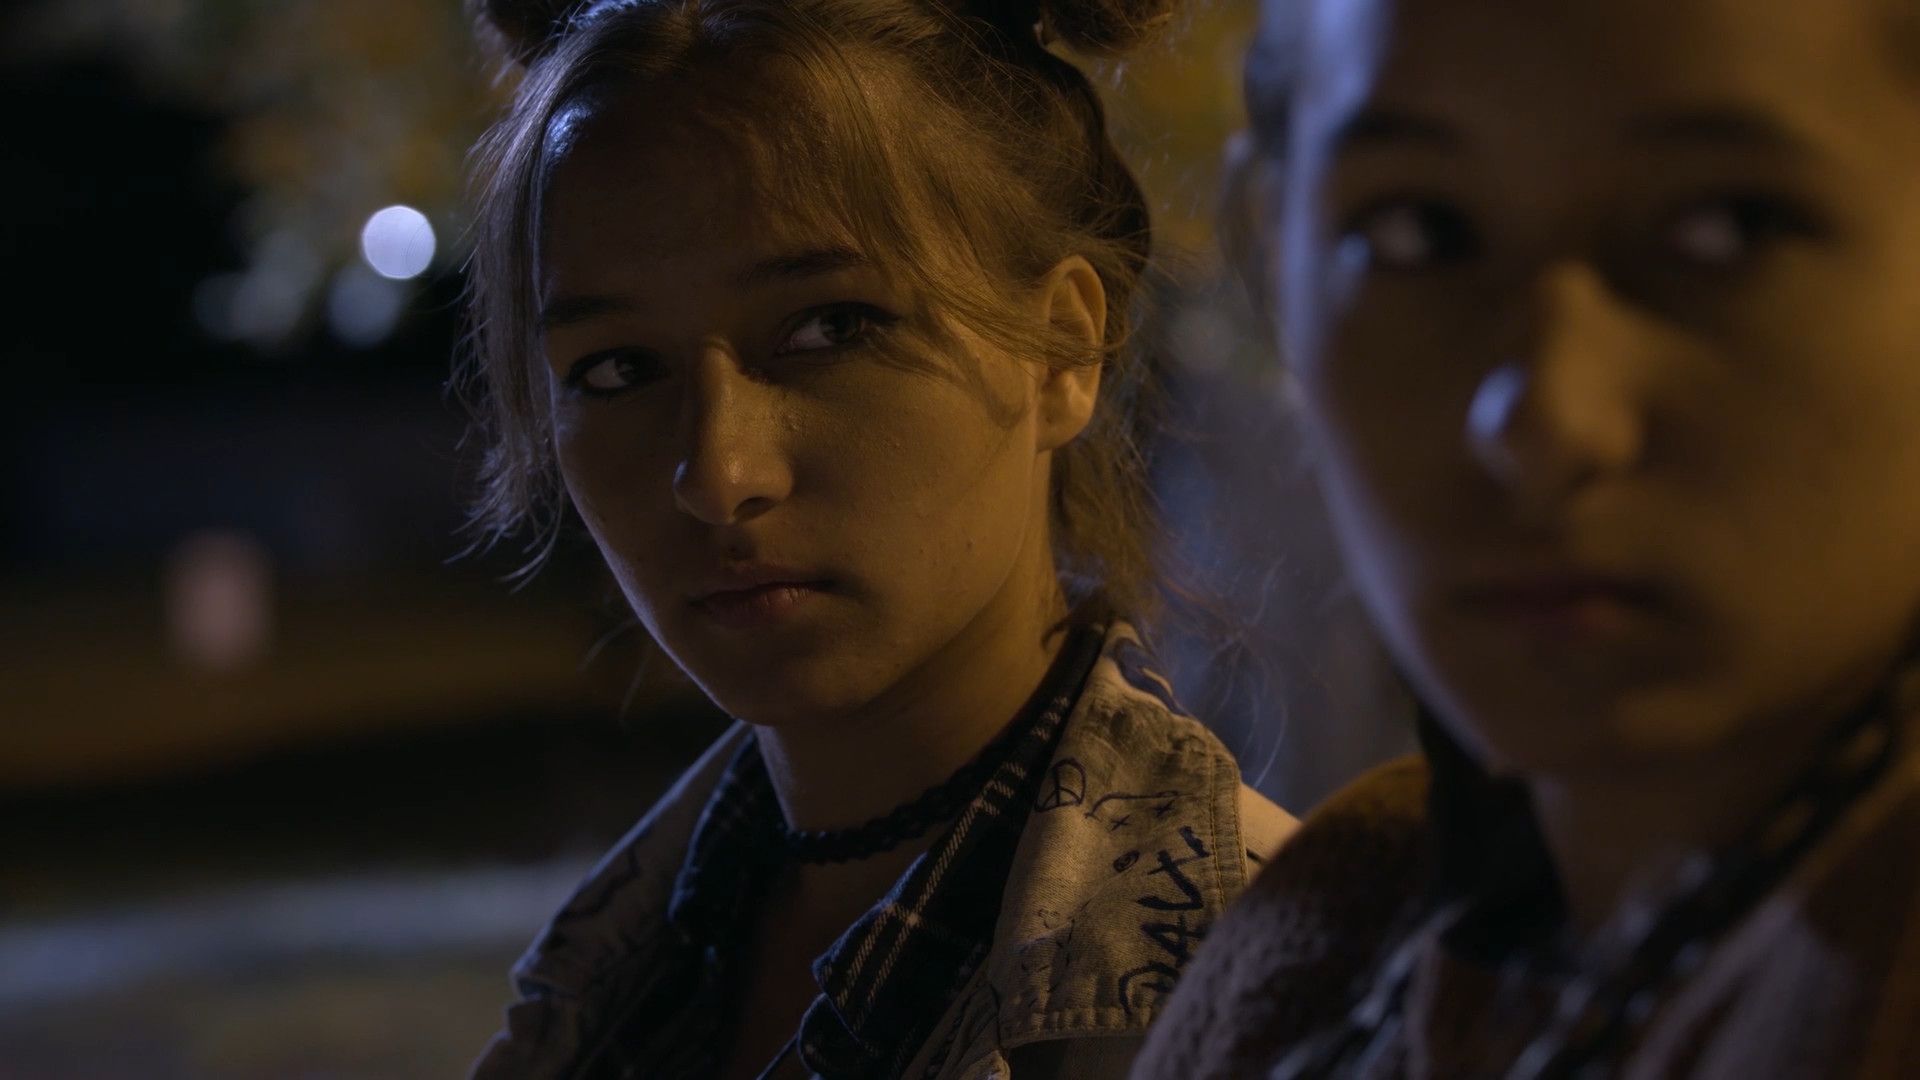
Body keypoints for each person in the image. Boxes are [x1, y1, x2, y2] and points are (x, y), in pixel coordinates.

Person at [455, 0, 1295, 1076]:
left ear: (1063, 351)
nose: (716, 476)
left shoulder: (1270, 998)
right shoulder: (611, 980)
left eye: (830, 327)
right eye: (618, 369)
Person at [1132, 0, 1920, 1076]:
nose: (1544, 418)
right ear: (1271, 257)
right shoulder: (1328, 933)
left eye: (1725, 228)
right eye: (1415, 232)